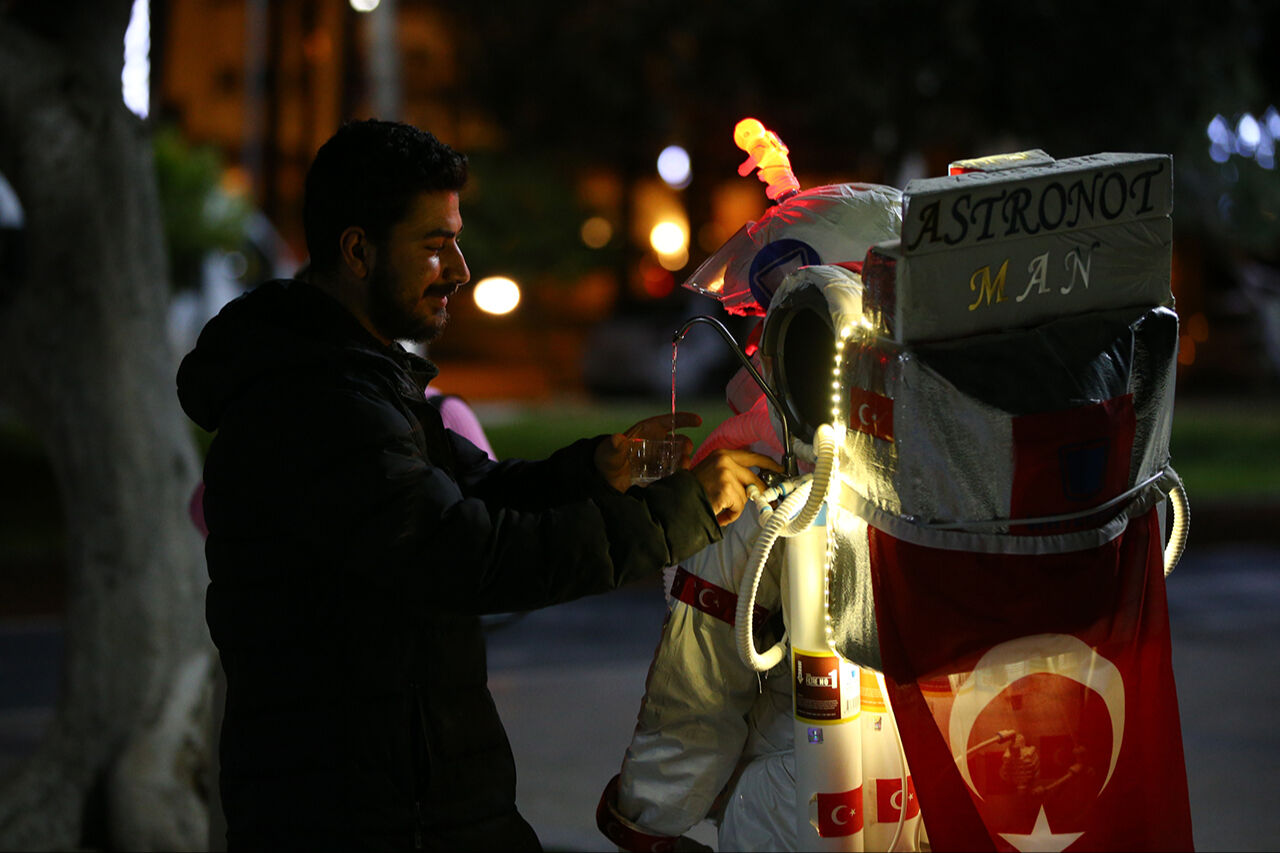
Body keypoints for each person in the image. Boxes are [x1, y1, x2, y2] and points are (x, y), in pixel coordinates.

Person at [175, 118, 779, 851]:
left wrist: (594, 470)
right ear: (358, 250)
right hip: (367, 813)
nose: (459, 268)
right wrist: (681, 511)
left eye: (455, 239)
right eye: (434, 245)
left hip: (413, 794)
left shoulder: (358, 377)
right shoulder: (317, 403)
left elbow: (470, 492)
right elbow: (465, 552)